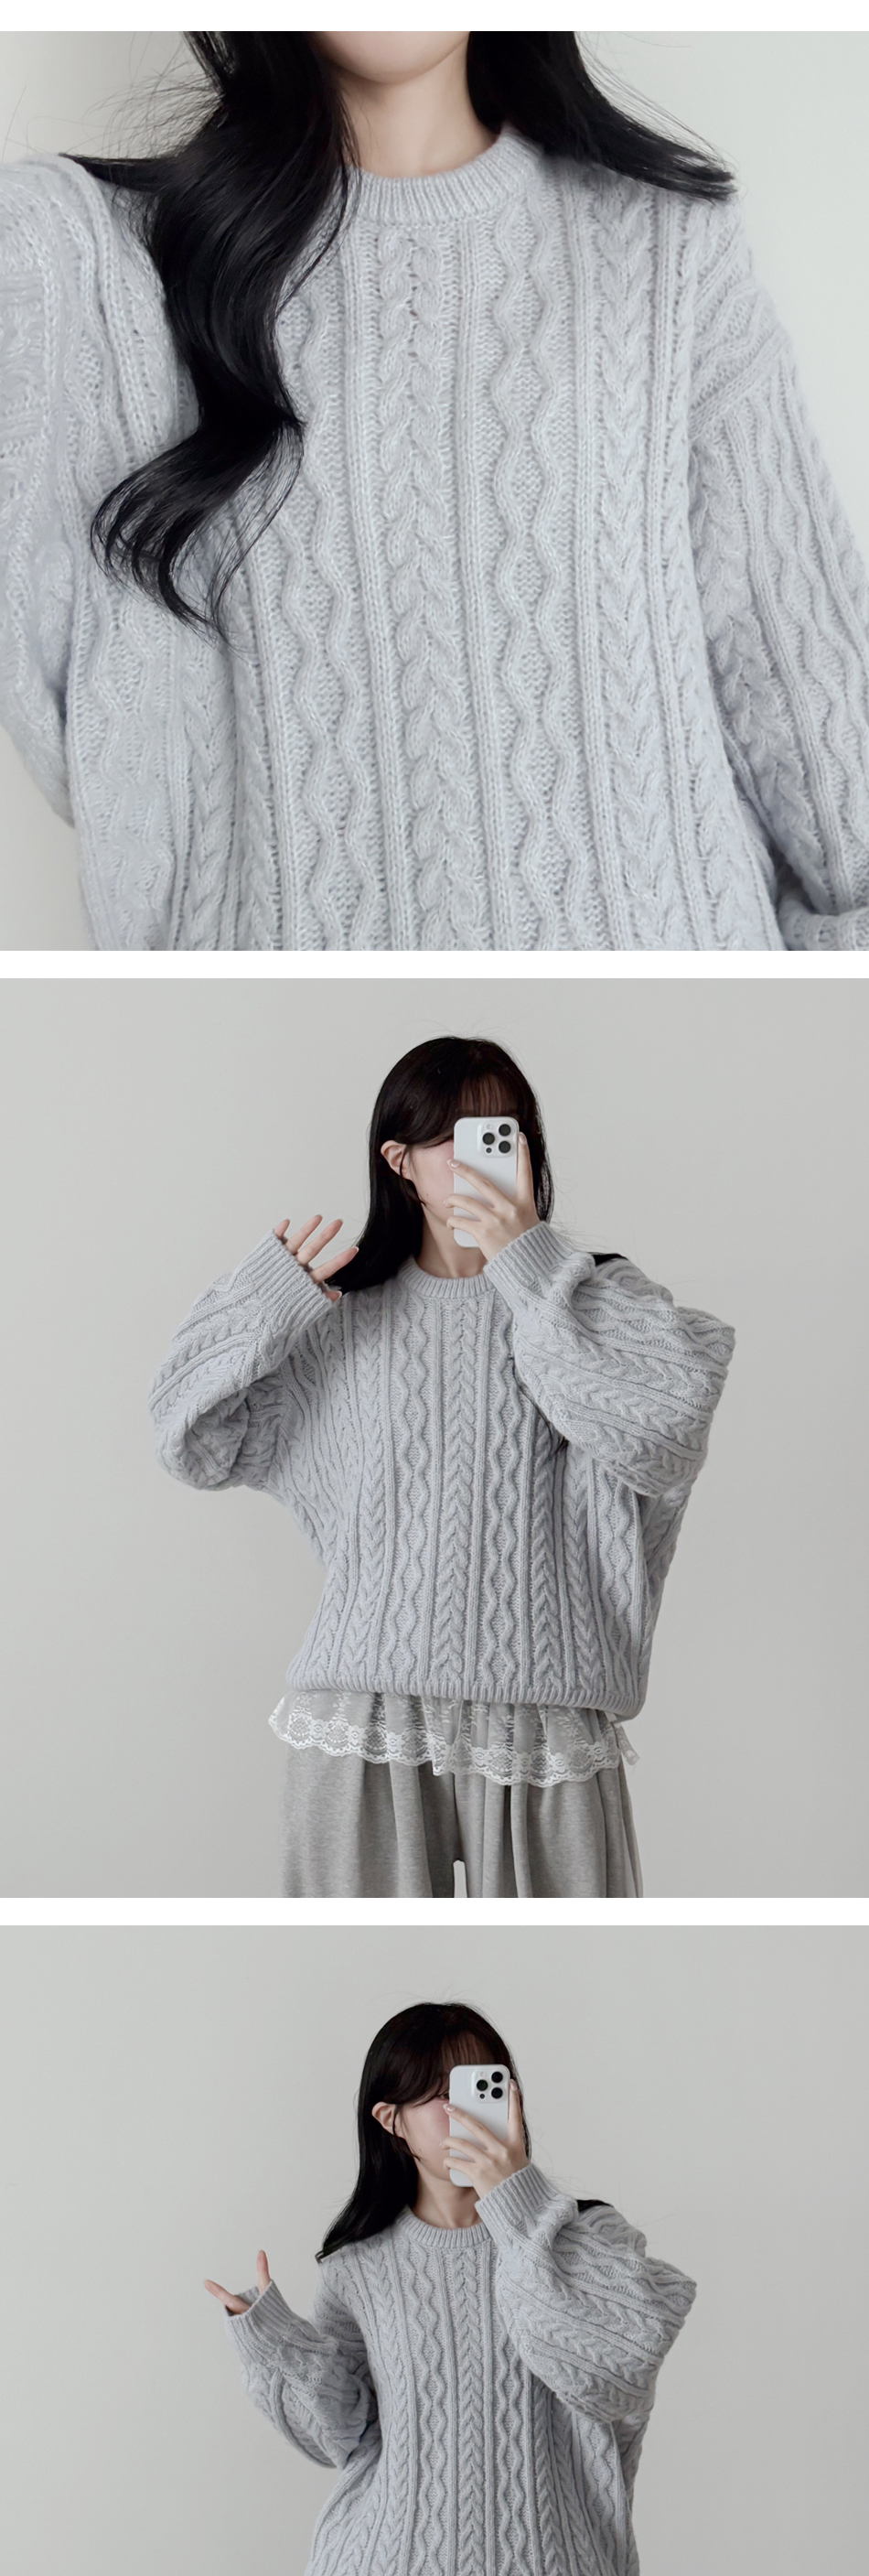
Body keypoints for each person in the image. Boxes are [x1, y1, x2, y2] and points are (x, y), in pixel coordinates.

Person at [2, 33, 868, 951]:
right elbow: (90, 724)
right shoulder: (115, 273)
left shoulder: (667, 248)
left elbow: (817, 716)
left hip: (684, 1000)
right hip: (292, 1008)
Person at [147, 1033, 735, 1898]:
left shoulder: (591, 1300)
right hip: (361, 1715)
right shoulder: (338, 1321)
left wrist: (529, 1265)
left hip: (548, 1722)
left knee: (572, 1956)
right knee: (351, 1952)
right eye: (456, 1140)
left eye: (505, 1134)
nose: (486, 1159)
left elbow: (669, 1432)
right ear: (401, 1163)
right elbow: (188, 1439)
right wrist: (264, 1300)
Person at [206, 1999, 697, 2576]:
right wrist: (270, 2337)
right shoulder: (358, 2267)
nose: (464, 2107)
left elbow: (616, 2365)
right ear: (391, 2121)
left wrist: (517, 2201)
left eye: (482, 2083)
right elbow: (344, 2437)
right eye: (438, 2093)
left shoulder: (584, 2239)